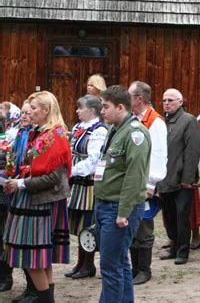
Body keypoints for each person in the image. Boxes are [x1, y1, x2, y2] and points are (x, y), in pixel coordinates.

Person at [3, 91, 72, 303]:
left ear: (46, 110)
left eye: (33, 108)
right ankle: (46, 299)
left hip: (38, 202)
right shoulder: (41, 133)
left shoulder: (55, 136)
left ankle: (44, 300)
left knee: (31, 257)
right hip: (32, 200)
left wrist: (21, 183)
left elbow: (54, 177)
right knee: (39, 259)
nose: (29, 112)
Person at [94, 85, 151, 303]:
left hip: (118, 208)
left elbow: (135, 177)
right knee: (120, 263)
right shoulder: (115, 129)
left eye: (106, 107)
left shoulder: (135, 134)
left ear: (120, 107)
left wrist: (123, 212)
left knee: (110, 267)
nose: (102, 111)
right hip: (105, 204)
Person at [128, 80, 167, 285]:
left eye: (130, 96)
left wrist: (151, 183)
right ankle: (134, 268)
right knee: (132, 224)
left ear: (139, 99)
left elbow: (159, 155)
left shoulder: (155, 122)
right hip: (131, 182)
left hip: (144, 183)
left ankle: (144, 269)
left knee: (143, 225)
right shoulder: (132, 119)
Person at [65, 95, 107, 279]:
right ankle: (80, 262)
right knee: (77, 223)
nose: (77, 111)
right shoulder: (78, 127)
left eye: (80, 108)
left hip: (88, 183)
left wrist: (72, 171)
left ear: (91, 110)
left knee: (87, 224)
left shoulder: (99, 131)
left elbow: (93, 161)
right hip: (76, 182)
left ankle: (88, 264)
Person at [158, 88, 200, 265]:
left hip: (182, 180)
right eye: (164, 100)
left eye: (171, 100)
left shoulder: (189, 120)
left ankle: (183, 251)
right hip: (165, 178)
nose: (167, 103)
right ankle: (174, 247)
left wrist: (188, 178)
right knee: (169, 216)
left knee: (182, 216)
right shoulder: (162, 122)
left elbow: (193, 151)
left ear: (180, 102)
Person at [0, 101, 33, 294]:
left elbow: (11, 165)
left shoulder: (8, 140)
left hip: (4, 194)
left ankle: (5, 275)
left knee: (5, 235)